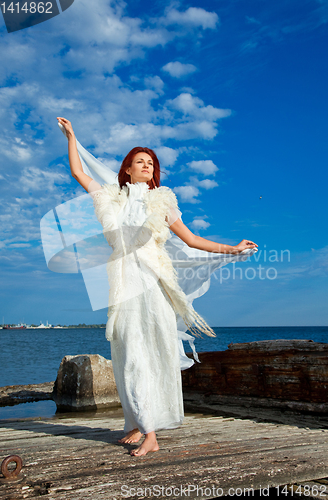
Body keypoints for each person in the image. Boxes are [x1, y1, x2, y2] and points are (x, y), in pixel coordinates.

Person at [56, 116, 258, 457]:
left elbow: (192, 240)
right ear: (127, 170)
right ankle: (136, 423)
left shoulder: (163, 202)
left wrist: (233, 249)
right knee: (127, 355)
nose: (147, 166)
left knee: (151, 355)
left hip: (153, 285)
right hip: (124, 284)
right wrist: (72, 137)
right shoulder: (111, 198)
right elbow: (79, 174)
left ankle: (151, 433)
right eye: (140, 162)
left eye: (151, 163)